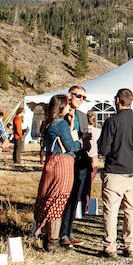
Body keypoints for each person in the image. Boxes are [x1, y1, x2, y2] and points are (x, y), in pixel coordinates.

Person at [97, 88, 133, 258]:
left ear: (118, 101)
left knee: (111, 211)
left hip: (114, 171)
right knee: (131, 209)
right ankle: (130, 245)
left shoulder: (112, 122)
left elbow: (103, 148)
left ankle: (110, 246)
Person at [33, 95, 83, 252]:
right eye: (68, 105)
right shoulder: (60, 124)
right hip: (62, 164)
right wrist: (80, 141)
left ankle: (41, 234)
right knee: (58, 200)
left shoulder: (49, 123)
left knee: (48, 197)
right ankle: (53, 242)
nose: (70, 108)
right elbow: (70, 146)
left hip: (52, 162)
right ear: (62, 107)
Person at [60, 86, 91, 249]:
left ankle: (68, 231)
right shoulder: (60, 115)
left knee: (75, 196)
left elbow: (85, 139)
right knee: (64, 196)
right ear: (69, 96)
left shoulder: (83, 116)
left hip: (81, 159)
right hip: (65, 160)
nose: (81, 99)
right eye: (78, 96)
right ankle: (60, 232)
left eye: (83, 97)